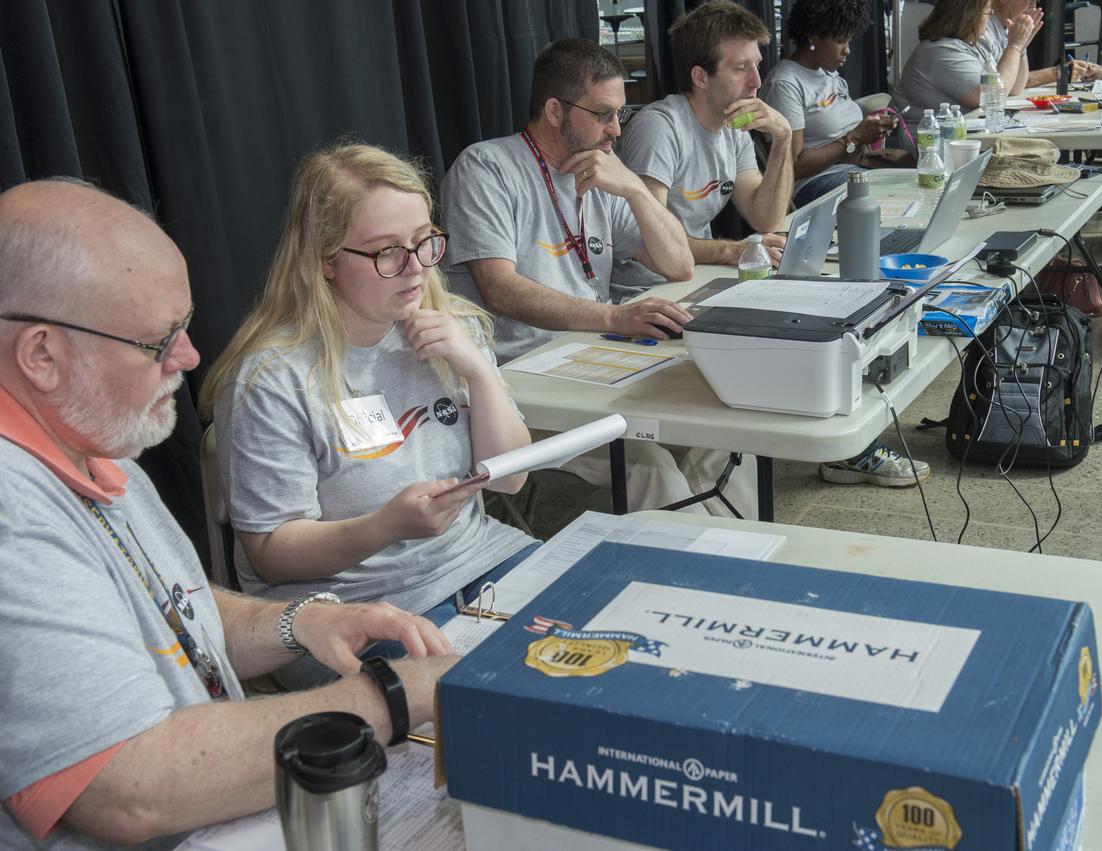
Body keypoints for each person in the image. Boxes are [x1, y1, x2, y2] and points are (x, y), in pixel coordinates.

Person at [0, 179, 457, 849]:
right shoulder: (13, 510)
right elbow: (130, 788)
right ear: (42, 354)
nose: (188, 358)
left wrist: (304, 619)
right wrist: (393, 694)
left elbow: (176, 609)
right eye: (159, 342)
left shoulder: (92, 441)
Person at [201, 143, 539, 689]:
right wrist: (386, 527)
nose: (414, 267)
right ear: (326, 262)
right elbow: (270, 557)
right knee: (507, 699)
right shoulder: (272, 378)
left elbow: (515, 476)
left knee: (598, 632)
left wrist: (476, 371)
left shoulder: (451, 329)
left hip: (479, 563)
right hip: (348, 613)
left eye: (424, 242)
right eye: (387, 252)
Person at [443, 38, 756, 517]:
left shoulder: (602, 167)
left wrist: (633, 188)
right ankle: (700, 576)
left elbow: (678, 265)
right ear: (554, 110)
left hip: (592, 355)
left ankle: (741, 563)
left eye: (621, 115)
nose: (616, 129)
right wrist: (615, 316)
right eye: (604, 114)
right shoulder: (487, 168)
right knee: (646, 462)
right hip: (520, 375)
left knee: (726, 424)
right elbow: (500, 290)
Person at [616, 0, 793, 281]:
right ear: (700, 77)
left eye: (756, 65)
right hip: (649, 288)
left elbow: (765, 219)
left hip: (698, 277)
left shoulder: (733, 126)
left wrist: (783, 138)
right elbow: (648, 239)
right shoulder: (660, 128)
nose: (756, 81)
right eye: (740, 68)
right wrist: (731, 251)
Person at [760, 0, 913, 208]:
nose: (847, 50)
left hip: (852, 167)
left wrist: (870, 130)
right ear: (813, 35)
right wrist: (855, 136)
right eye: (841, 41)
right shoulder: (785, 83)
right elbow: (792, 166)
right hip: (810, 183)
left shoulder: (830, 75)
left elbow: (842, 135)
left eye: (849, 41)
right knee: (891, 197)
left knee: (920, 173)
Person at [892, 0, 1043, 130]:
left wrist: (1020, 49)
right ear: (970, 15)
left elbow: (1016, 87)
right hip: (926, 149)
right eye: (986, 12)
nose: (990, 16)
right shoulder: (942, 50)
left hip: (953, 141)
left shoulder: (960, 45)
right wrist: (1014, 46)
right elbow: (991, 98)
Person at [983, 0, 1087, 87]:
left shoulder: (1009, 29)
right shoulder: (982, 32)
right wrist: (1016, 46)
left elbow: (1016, 84)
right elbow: (995, 86)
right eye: (1030, 1)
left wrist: (1021, 47)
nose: (1034, 7)